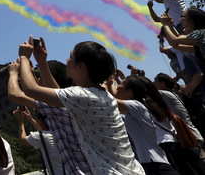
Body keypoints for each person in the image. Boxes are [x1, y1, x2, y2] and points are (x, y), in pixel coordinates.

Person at [16, 38, 144, 174]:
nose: (67, 61)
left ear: (82, 67)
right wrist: (41, 62)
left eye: (71, 57)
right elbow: (59, 96)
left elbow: (30, 89)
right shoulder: (99, 94)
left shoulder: (82, 96)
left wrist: (24, 57)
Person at [7, 40, 89, 174]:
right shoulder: (79, 100)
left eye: (40, 77)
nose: (38, 80)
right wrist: (40, 63)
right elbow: (47, 90)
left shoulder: (60, 108)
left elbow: (17, 94)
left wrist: (15, 71)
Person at [111, 76, 180, 174]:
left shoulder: (136, 105)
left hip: (156, 164)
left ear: (130, 91)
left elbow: (109, 102)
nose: (117, 87)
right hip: (150, 164)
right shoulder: (132, 109)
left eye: (121, 84)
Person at [12, 106, 62, 175]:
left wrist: (21, 122)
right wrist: (30, 118)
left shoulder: (42, 137)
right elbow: (43, 130)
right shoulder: (57, 131)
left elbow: (23, 140)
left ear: (40, 119)